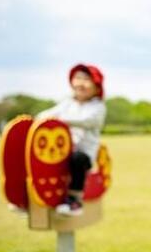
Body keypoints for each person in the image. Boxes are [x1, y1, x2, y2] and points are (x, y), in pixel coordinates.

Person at [36, 63, 106, 216]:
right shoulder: (68, 103)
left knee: (77, 159)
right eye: (78, 78)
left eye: (86, 79)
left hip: (82, 156)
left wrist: (60, 120)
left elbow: (86, 120)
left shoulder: (98, 107)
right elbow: (46, 115)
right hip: (62, 152)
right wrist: (37, 120)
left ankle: (75, 200)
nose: (81, 83)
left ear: (96, 87)